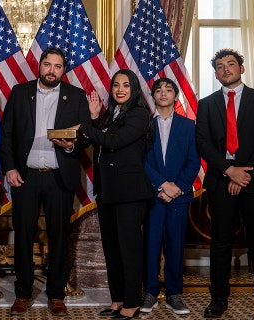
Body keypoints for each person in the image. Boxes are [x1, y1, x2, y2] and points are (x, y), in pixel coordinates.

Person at [0, 47, 91, 317]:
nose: (52, 70)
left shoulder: (76, 96)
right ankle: (23, 293)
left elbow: (85, 135)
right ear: (39, 66)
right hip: (25, 177)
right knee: (23, 236)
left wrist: (71, 146)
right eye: (47, 65)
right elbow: (6, 135)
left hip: (59, 177)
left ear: (64, 70)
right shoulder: (19, 92)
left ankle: (56, 294)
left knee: (59, 236)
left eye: (58, 66)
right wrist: (10, 168)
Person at [195, 48, 254, 320]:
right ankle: (218, 299)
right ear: (216, 73)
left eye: (230, 64)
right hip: (221, 181)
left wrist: (244, 175)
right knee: (219, 243)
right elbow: (203, 144)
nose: (226, 69)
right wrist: (229, 171)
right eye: (220, 66)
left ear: (241, 69)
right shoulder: (206, 104)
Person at [74, 69, 153, 320]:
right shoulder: (110, 115)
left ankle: (132, 302)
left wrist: (85, 125)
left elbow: (114, 142)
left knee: (129, 250)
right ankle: (117, 299)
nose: (120, 89)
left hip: (130, 193)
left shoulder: (140, 114)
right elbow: (100, 139)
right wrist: (95, 119)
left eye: (126, 85)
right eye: (116, 85)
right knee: (112, 250)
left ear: (134, 90)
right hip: (107, 192)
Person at [141, 78, 200, 315]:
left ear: (175, 96)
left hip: (179, 197)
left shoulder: (188, 126)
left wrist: (178, 187)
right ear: (153, 96)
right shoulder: (145, 125)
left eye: (168, 90)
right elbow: (142, 161)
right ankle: (150, 292)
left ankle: (174, 294)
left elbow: (194, 160)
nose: (163, 93)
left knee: (175, 245)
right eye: (158, 90)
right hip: (153, 196)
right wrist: (161, 186)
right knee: (151, 244)